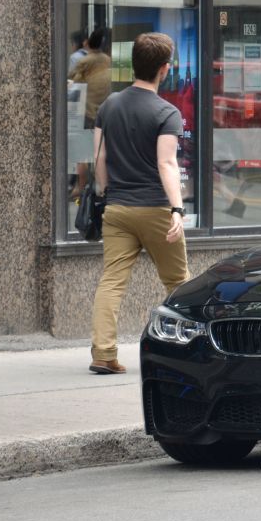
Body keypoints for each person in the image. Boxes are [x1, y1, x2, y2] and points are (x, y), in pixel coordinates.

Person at [89, 32, 189, 374]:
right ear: (164, 69)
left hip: (117, 208)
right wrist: (176, 208)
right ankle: (187, 352)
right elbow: (167, 164)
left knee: (112, 281)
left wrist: (106, 192)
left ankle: (103, 354)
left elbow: (98, 159)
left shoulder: (109, 105)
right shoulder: (166, 112)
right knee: (179, 283)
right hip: (156, 208)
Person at [67, 27, 112, 201]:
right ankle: (102, 187)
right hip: (104, 111)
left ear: (88, 43)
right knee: (102, 150)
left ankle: (82, 188)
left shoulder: (84, 61)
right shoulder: (108, 61)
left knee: (82, 153)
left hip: (87, 111)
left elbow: (72, 80)